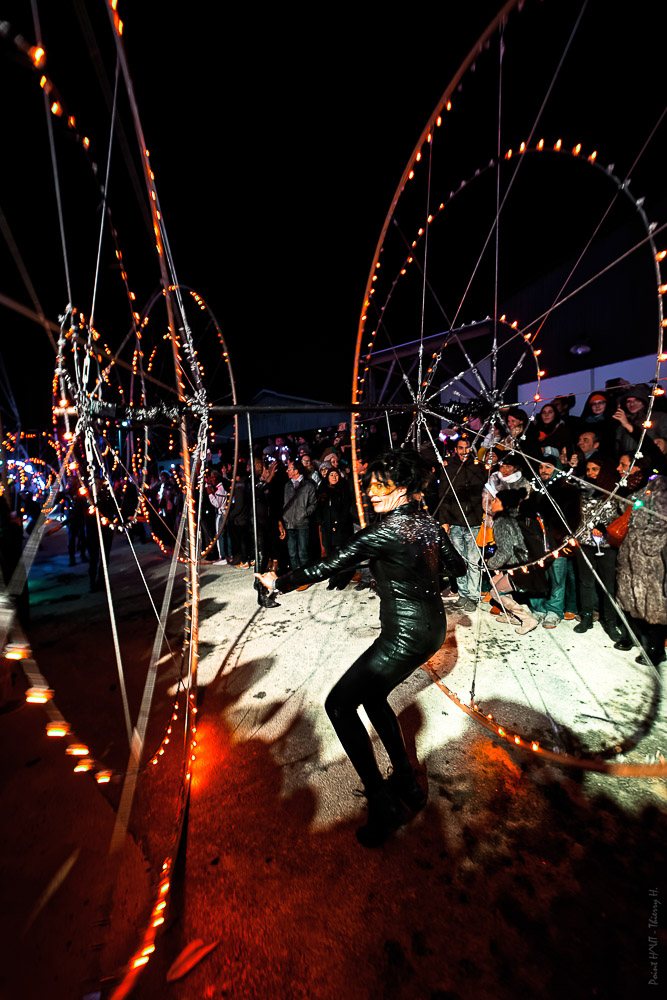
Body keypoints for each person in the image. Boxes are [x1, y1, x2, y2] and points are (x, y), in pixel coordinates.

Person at [255, 450, 466, 848]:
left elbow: (327, 565)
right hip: (433, 630)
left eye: (379, 485)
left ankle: (383, 803)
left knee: (338, 705)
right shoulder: (427, 523)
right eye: (370, 483)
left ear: (401, 489)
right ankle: (407, 782)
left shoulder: (384, 533)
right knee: (372, 696)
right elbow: (458, 568)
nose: (370, 491)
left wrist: (276, 582)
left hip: (404, 636)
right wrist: (418, 562)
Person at [438, 437, 487, 611]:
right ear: (455, 449)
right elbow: (443, 495)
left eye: (467, 448)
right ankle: (463, 593)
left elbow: (486, 492)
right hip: (455, 522)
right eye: (460, 448)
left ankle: (473, 596)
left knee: (473, 561)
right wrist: (444, 521)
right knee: (459, 561)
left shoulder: (479, 468)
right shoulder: (449, 468)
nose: (464, 451)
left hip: (474, 521)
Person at [279, 459, 317, 570]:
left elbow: (313, 503)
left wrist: (304, 513)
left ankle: (304, 575)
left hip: (302, 524)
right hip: (289, 524)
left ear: (296, 471)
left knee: (303, 553)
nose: (287, 471)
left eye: (289, 469)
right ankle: (295, 575)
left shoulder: (308, 485)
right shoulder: (287, 485)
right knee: (292, 553)